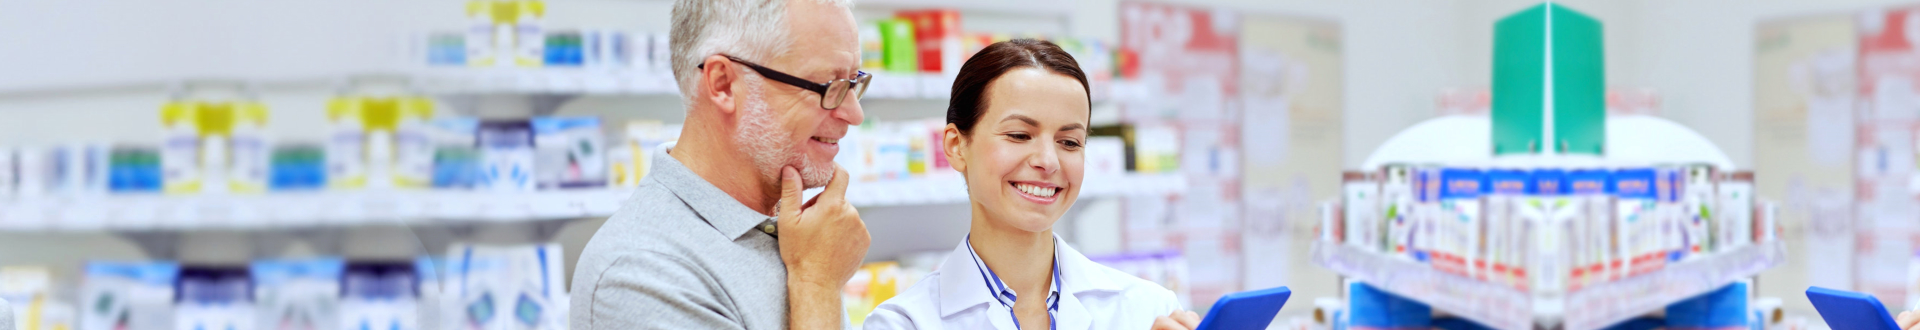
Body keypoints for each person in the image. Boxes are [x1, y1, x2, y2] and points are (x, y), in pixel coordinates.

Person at [568, 0, 872, 328]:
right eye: (830, 87)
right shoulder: (641, 274)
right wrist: (817, 287)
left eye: (854, 84)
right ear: (724, 84)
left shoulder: (801, 234)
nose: (855, 114)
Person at [860, 39, 1199, 330]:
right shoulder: (905, 322)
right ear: (955, 145)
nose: (1048, 161)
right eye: (1020, 135)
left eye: (1069, 142)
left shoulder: (1148, 309)